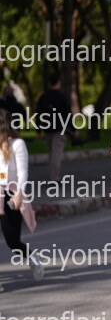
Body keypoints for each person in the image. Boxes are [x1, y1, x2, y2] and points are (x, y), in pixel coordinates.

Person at [0, 109, 42, 288]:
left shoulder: (17, 144)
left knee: (12, 241)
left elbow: (23, 172)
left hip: (10, 194)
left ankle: (32, 257)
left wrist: (19, 194)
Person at [35, 73, 76, 182]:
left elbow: (38, 114)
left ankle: (52, 175)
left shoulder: (43, 97)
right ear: (59, 82)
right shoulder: (62, 96)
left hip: (48, 129)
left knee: (52, 153)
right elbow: (68, 114)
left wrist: (38, 130)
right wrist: (73, 129)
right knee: (56, 154)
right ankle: (54, 178)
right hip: (59, 129)